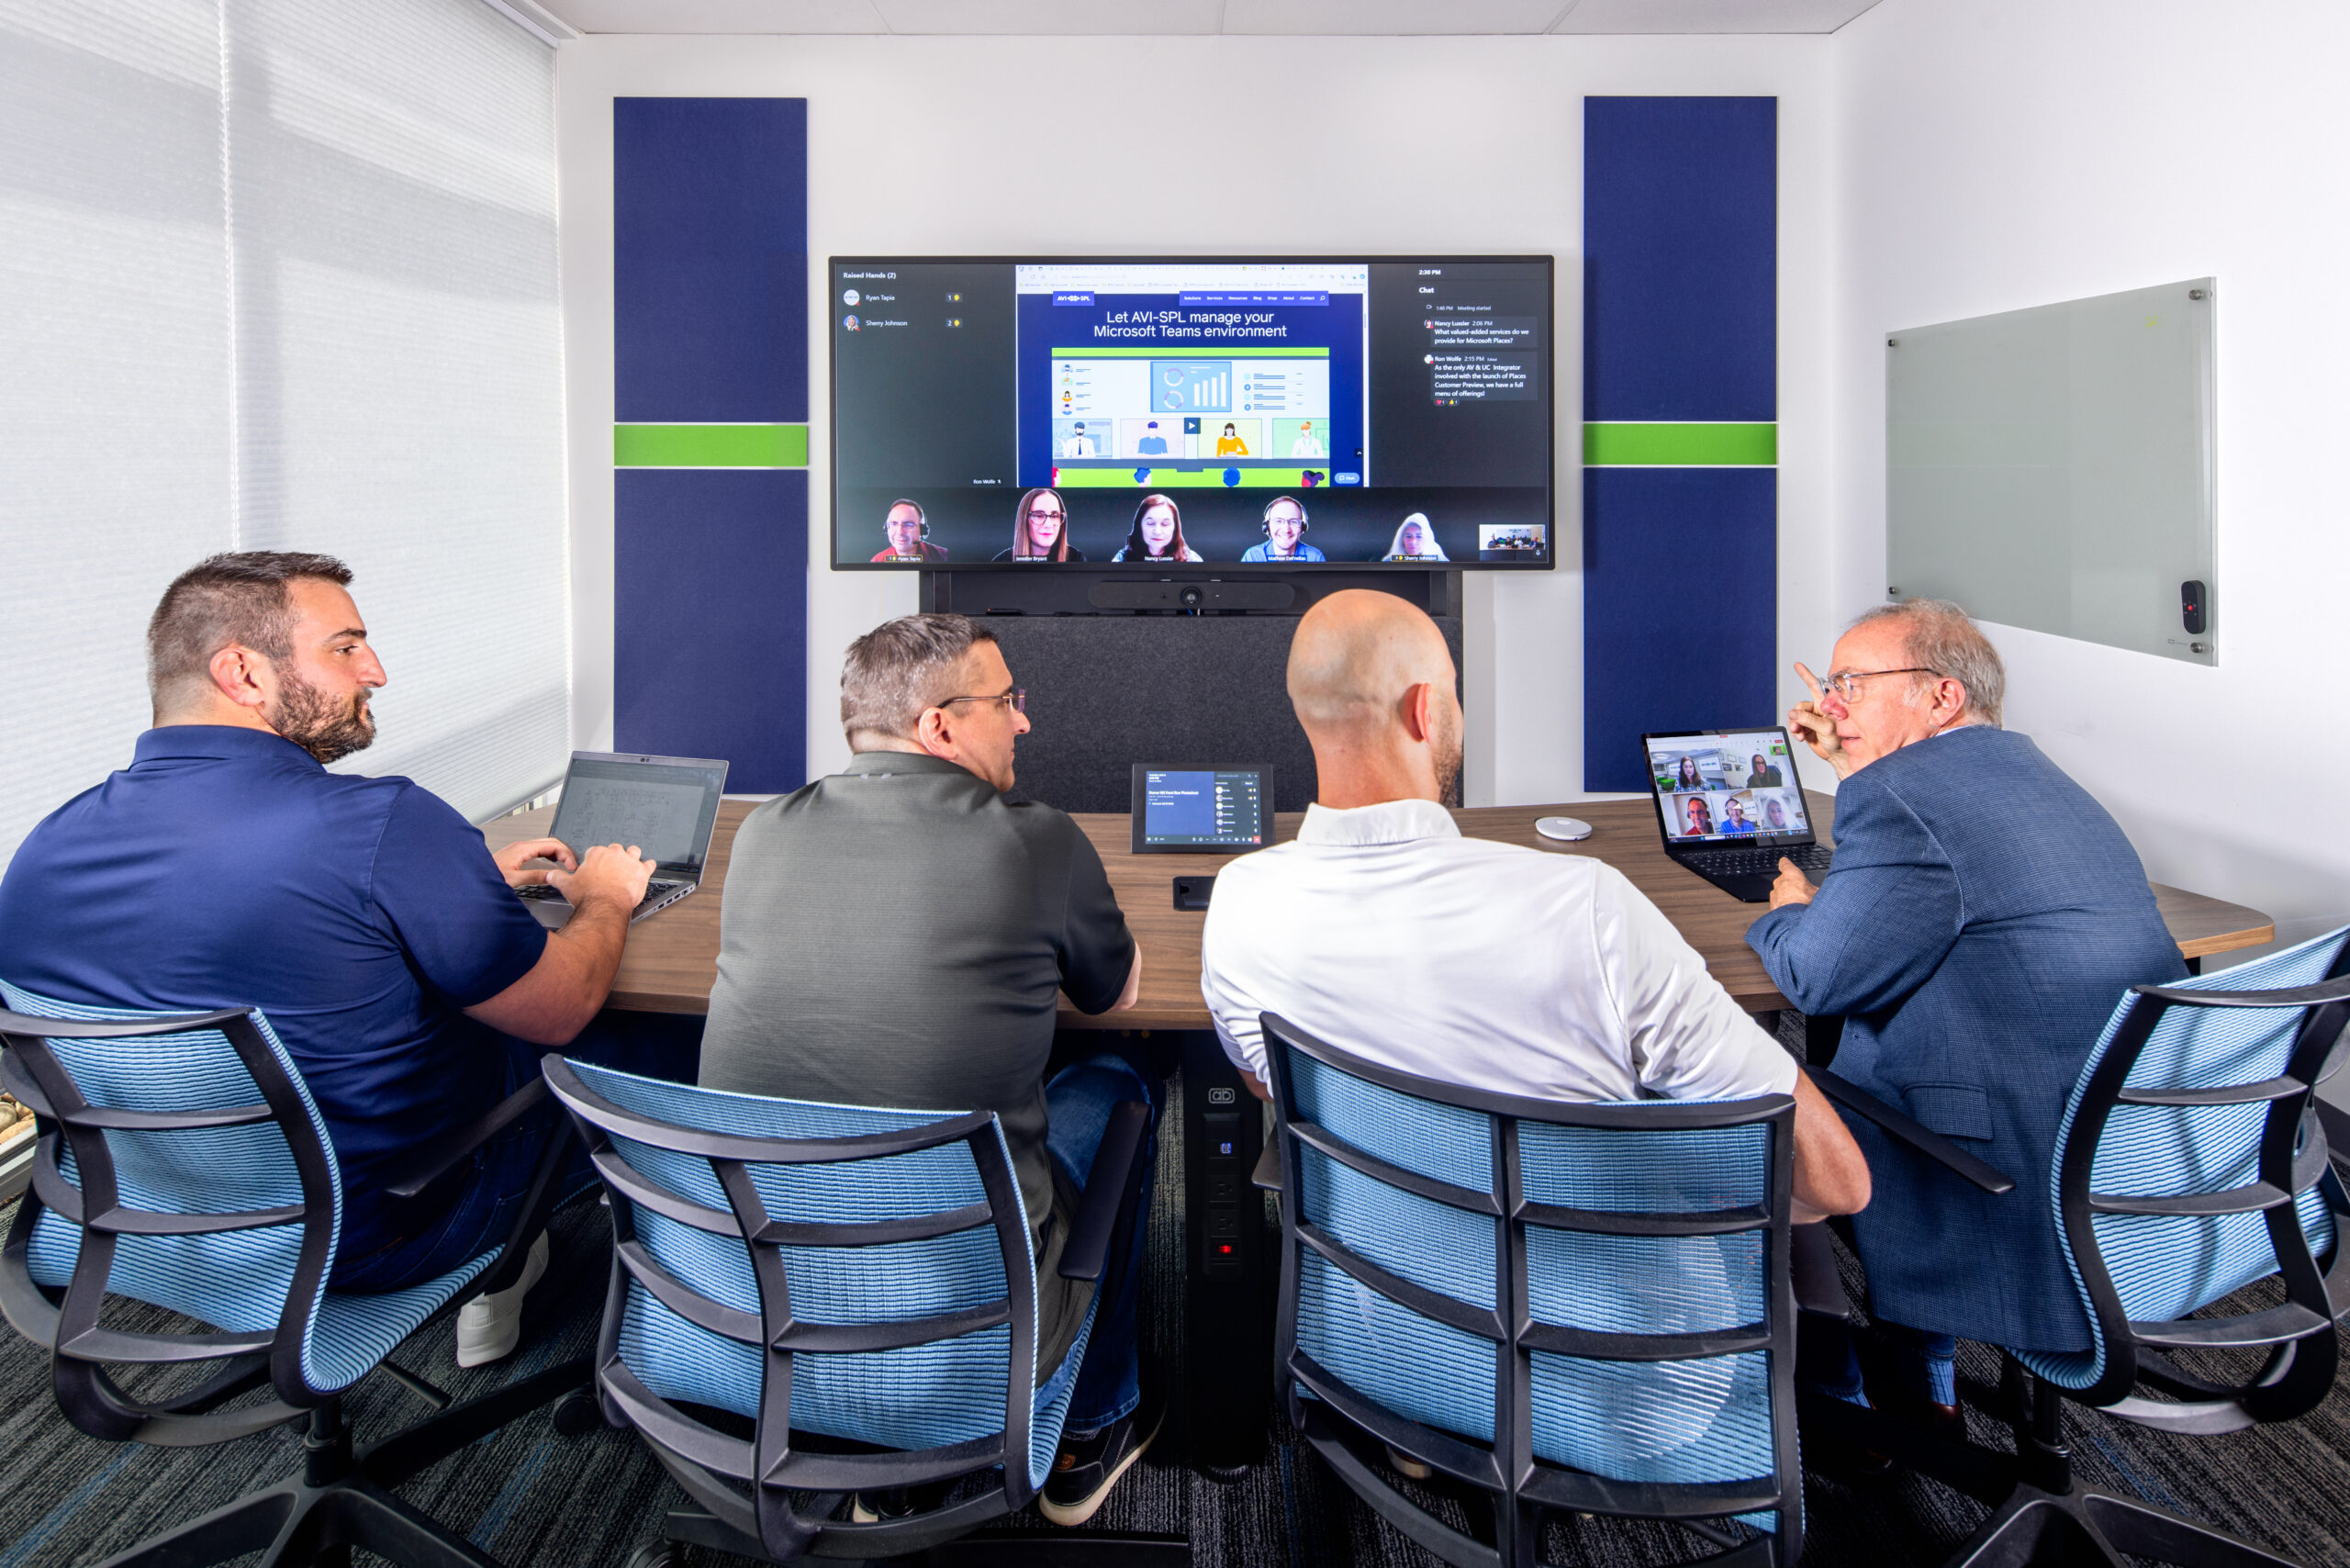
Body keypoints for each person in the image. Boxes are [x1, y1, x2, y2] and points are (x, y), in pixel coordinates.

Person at [0, 552, 655, 1365]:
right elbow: (561, 1007)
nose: (375, 671)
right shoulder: (384, 825)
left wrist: (447, 890)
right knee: (650, 1040)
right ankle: (706, 1316)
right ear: (241, 670)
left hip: (147, 1224)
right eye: (345, 648)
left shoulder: (44, 847)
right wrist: (604, 899)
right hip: (383, 1236)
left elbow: (237, 922)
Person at [1199, 586, 1868, 1250]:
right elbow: (1833, 1183)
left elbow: (1270, 1080)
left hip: (1383, 1333)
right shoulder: (1586, 906)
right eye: (1454, 692)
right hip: (1619, 1342)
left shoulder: (1238, 903)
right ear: (1425, 711)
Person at [699, 613, 1157, 1526]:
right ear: (938, 727)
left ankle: (863, 1442)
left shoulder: (759, 831)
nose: (1023, 722)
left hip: (752, 1294)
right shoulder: (1036, 838)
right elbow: (1119, 995)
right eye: (1006, 702)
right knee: (1118, 1086)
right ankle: (1087, 1431)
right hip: (972, 1322)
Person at [1749, 599, 2184, 1428]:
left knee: (1757, 1086)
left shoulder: (1905, 799)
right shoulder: (2032, 776)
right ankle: (1921, 1373)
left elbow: (1815, 976)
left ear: (1941, 697)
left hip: (2013, 1180)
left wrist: (1789, 906)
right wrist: (1861, 769)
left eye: (1850, 683)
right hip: (2138, 1170)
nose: (1828, 704)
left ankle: (1840, 1391)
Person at [992, 487, 1085, 562]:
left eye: (1054, 516)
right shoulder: (1002, 561)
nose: (1048, 524)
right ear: (1024, 520)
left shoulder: (1075, 558)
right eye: (1039, 515)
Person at [1112, 493, 1203, 563]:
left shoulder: (1192, 560)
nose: (1157, 531)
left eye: (1165, 524)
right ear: (1139, 526)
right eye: (1150, 523)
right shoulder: (1121, 559)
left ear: (1175, 528)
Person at [1239, 496, 1326, 563]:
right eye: (1278, 521)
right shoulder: (1253, 556)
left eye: (1294, 522)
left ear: (1303, 527)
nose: (1286, 530)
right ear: (1267, 526)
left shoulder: (1315, 557)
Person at [869, 498, 947, 563]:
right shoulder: (878, 560)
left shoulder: (944, 556)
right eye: (894, 524)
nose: (900, 532)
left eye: (908, 524)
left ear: (922, 530)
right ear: (886, 528)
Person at [1381, 512, 1449, 563]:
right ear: (1402, 539)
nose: (1413, 541)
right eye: (1408, 536)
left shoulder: (1440, 561)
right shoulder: (1389, 561)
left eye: (1419, 536)